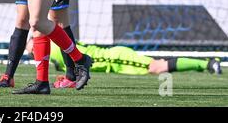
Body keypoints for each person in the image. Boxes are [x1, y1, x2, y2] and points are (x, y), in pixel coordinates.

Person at [24, 38, 223, 87]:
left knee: (157, 66)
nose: (33, 54)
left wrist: (67, 80)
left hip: (116, 59)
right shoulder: (56, 44)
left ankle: (207, 63)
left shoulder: (53, 49)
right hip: (115, 61)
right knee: (158, 65)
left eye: (32, 49)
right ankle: (206, 63)